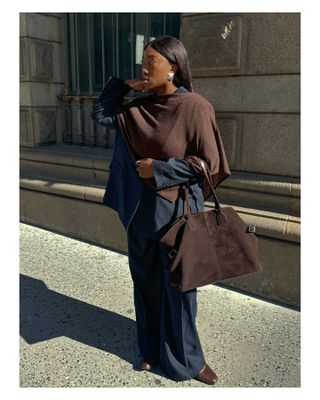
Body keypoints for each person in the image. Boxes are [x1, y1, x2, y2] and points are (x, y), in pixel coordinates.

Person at [91, 35, 230, 385]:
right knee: (146, 286)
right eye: (144, 60)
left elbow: (210, 164)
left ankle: (189, 360)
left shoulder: (195, 107)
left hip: (178, 216)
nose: (144, 66)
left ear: (174, 68)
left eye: (151, 61)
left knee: (181, 291)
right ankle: (151, 350)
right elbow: (100, 112)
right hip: (141, 215)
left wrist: (160, 169)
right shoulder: (137, 108)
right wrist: (124, 85)